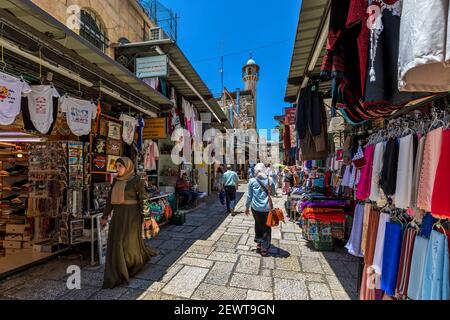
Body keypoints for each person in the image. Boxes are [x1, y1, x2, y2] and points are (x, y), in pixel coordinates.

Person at [100, 157, 158, 289]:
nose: (118, 169)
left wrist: (147, 217)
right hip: (118, 216)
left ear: (128, 167)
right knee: (117, 242)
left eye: (121, 166)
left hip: (132, 216)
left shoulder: (137, 180)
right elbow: (110, 200)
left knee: (128, 242)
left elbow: (144, 199)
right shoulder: (116, 180)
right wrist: (105, 215)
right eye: (117, 166)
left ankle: (134, 263)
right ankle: (119, 269)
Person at [245, 163, 276, 257]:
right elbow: (273, 193)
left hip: (255, 208)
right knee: (267, 226)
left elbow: (249, 196)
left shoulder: (252, 181)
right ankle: (264, 247)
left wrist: (246, 207)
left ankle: (259, 243)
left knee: (258, 224)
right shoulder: (270, 180)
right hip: (267, 208)